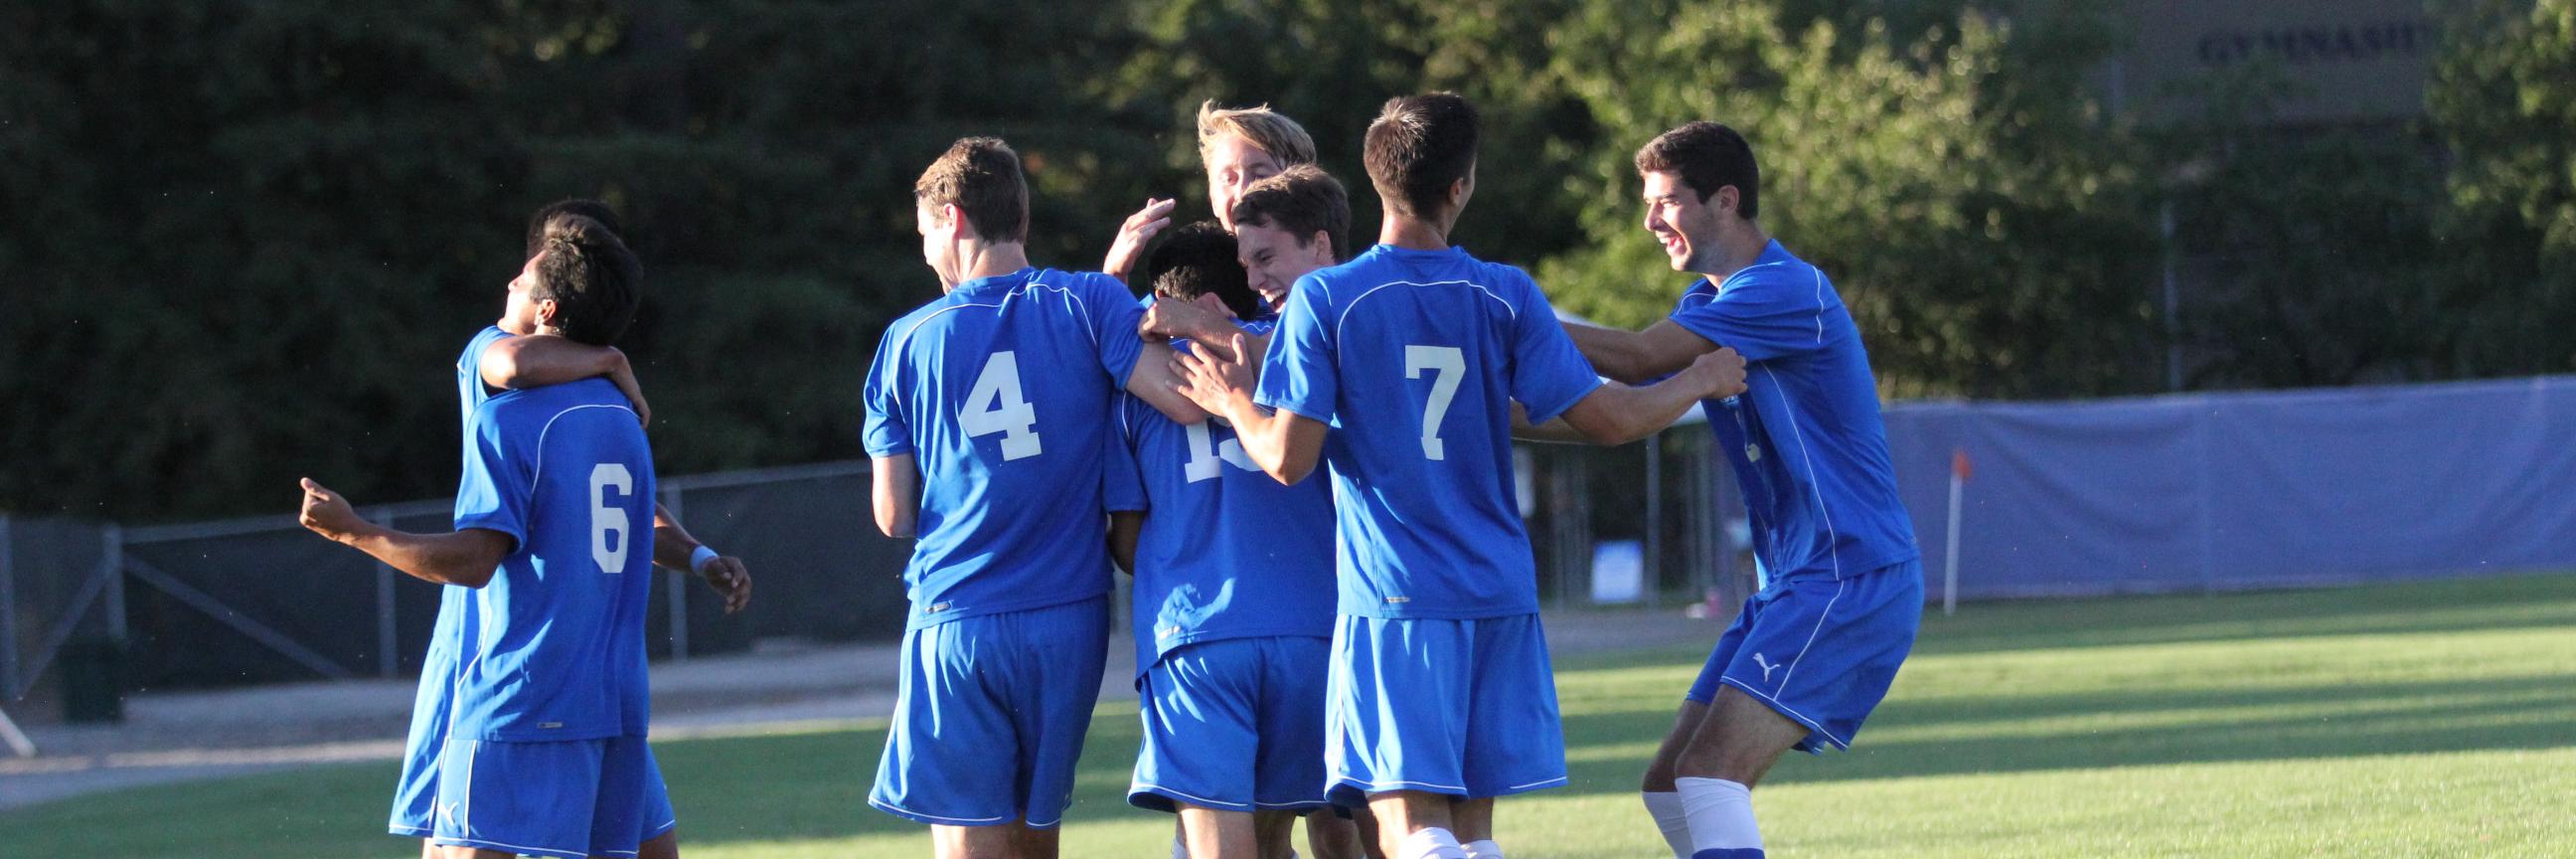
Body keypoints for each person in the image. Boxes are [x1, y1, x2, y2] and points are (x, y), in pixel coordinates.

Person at [1170, 93, 1748, 859]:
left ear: (1375, 180)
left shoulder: (1328, 298)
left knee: (1412, 830)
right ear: (1461, 187)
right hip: (1500, 594)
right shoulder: (1502, 291)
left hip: (1399, 599)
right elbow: (1610, 419)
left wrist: (1232, 400)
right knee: (1473, 833)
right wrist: (1701, 379)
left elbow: (1286, 458)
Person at [1556, 121, 1923, 859]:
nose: (1650, 220)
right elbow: (1616, 407)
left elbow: (1636, 358)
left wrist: (1502, 311)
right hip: (1796, 582)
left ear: (1725, 201)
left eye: (1666, 201)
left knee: (1709, 776)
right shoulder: (1712, 301)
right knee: (1670, 784)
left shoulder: (1782, 288)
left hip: (1847, 573)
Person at [863, 137, 1205, 859]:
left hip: (960, 617)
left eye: (925, 232)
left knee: (970, 840)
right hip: (1068, 618)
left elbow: (892, 516)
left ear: (953, 218)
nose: (925, 252)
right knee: (1035, 839)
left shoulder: (904, 341)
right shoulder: (1084, 301)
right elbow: (1184, 399)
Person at [388, 201, 749, 859]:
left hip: (538, 665)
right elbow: (512, 366)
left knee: (473, 844)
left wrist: (696, 555)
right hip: (548, 662)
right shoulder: (580, 391)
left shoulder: (577, 402)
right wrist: (610, 358)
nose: (509, 284)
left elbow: (619, 517)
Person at [301, 213, 668, 859]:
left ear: (545, 308)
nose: (508, 282)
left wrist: (354, 532)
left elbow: (474, 562)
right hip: (614, 700)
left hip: (520, 693)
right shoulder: (624, 418)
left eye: (521, 281)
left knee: (455, 849)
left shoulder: (510, 416)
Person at [1105, 222, 1364, 859]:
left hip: (1197, 635)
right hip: (1315, 630)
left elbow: (1127, 537)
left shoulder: (1133, 392)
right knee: (1283, 835)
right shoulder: (1303, 361)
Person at [1105, 100, 1321, 287]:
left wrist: (1202, 326)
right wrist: (1113, 280)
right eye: (1228, 179)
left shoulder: (1328, 286)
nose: (1242, 192)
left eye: (1260, 176)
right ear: (1213, 198)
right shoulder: (1190, 282)